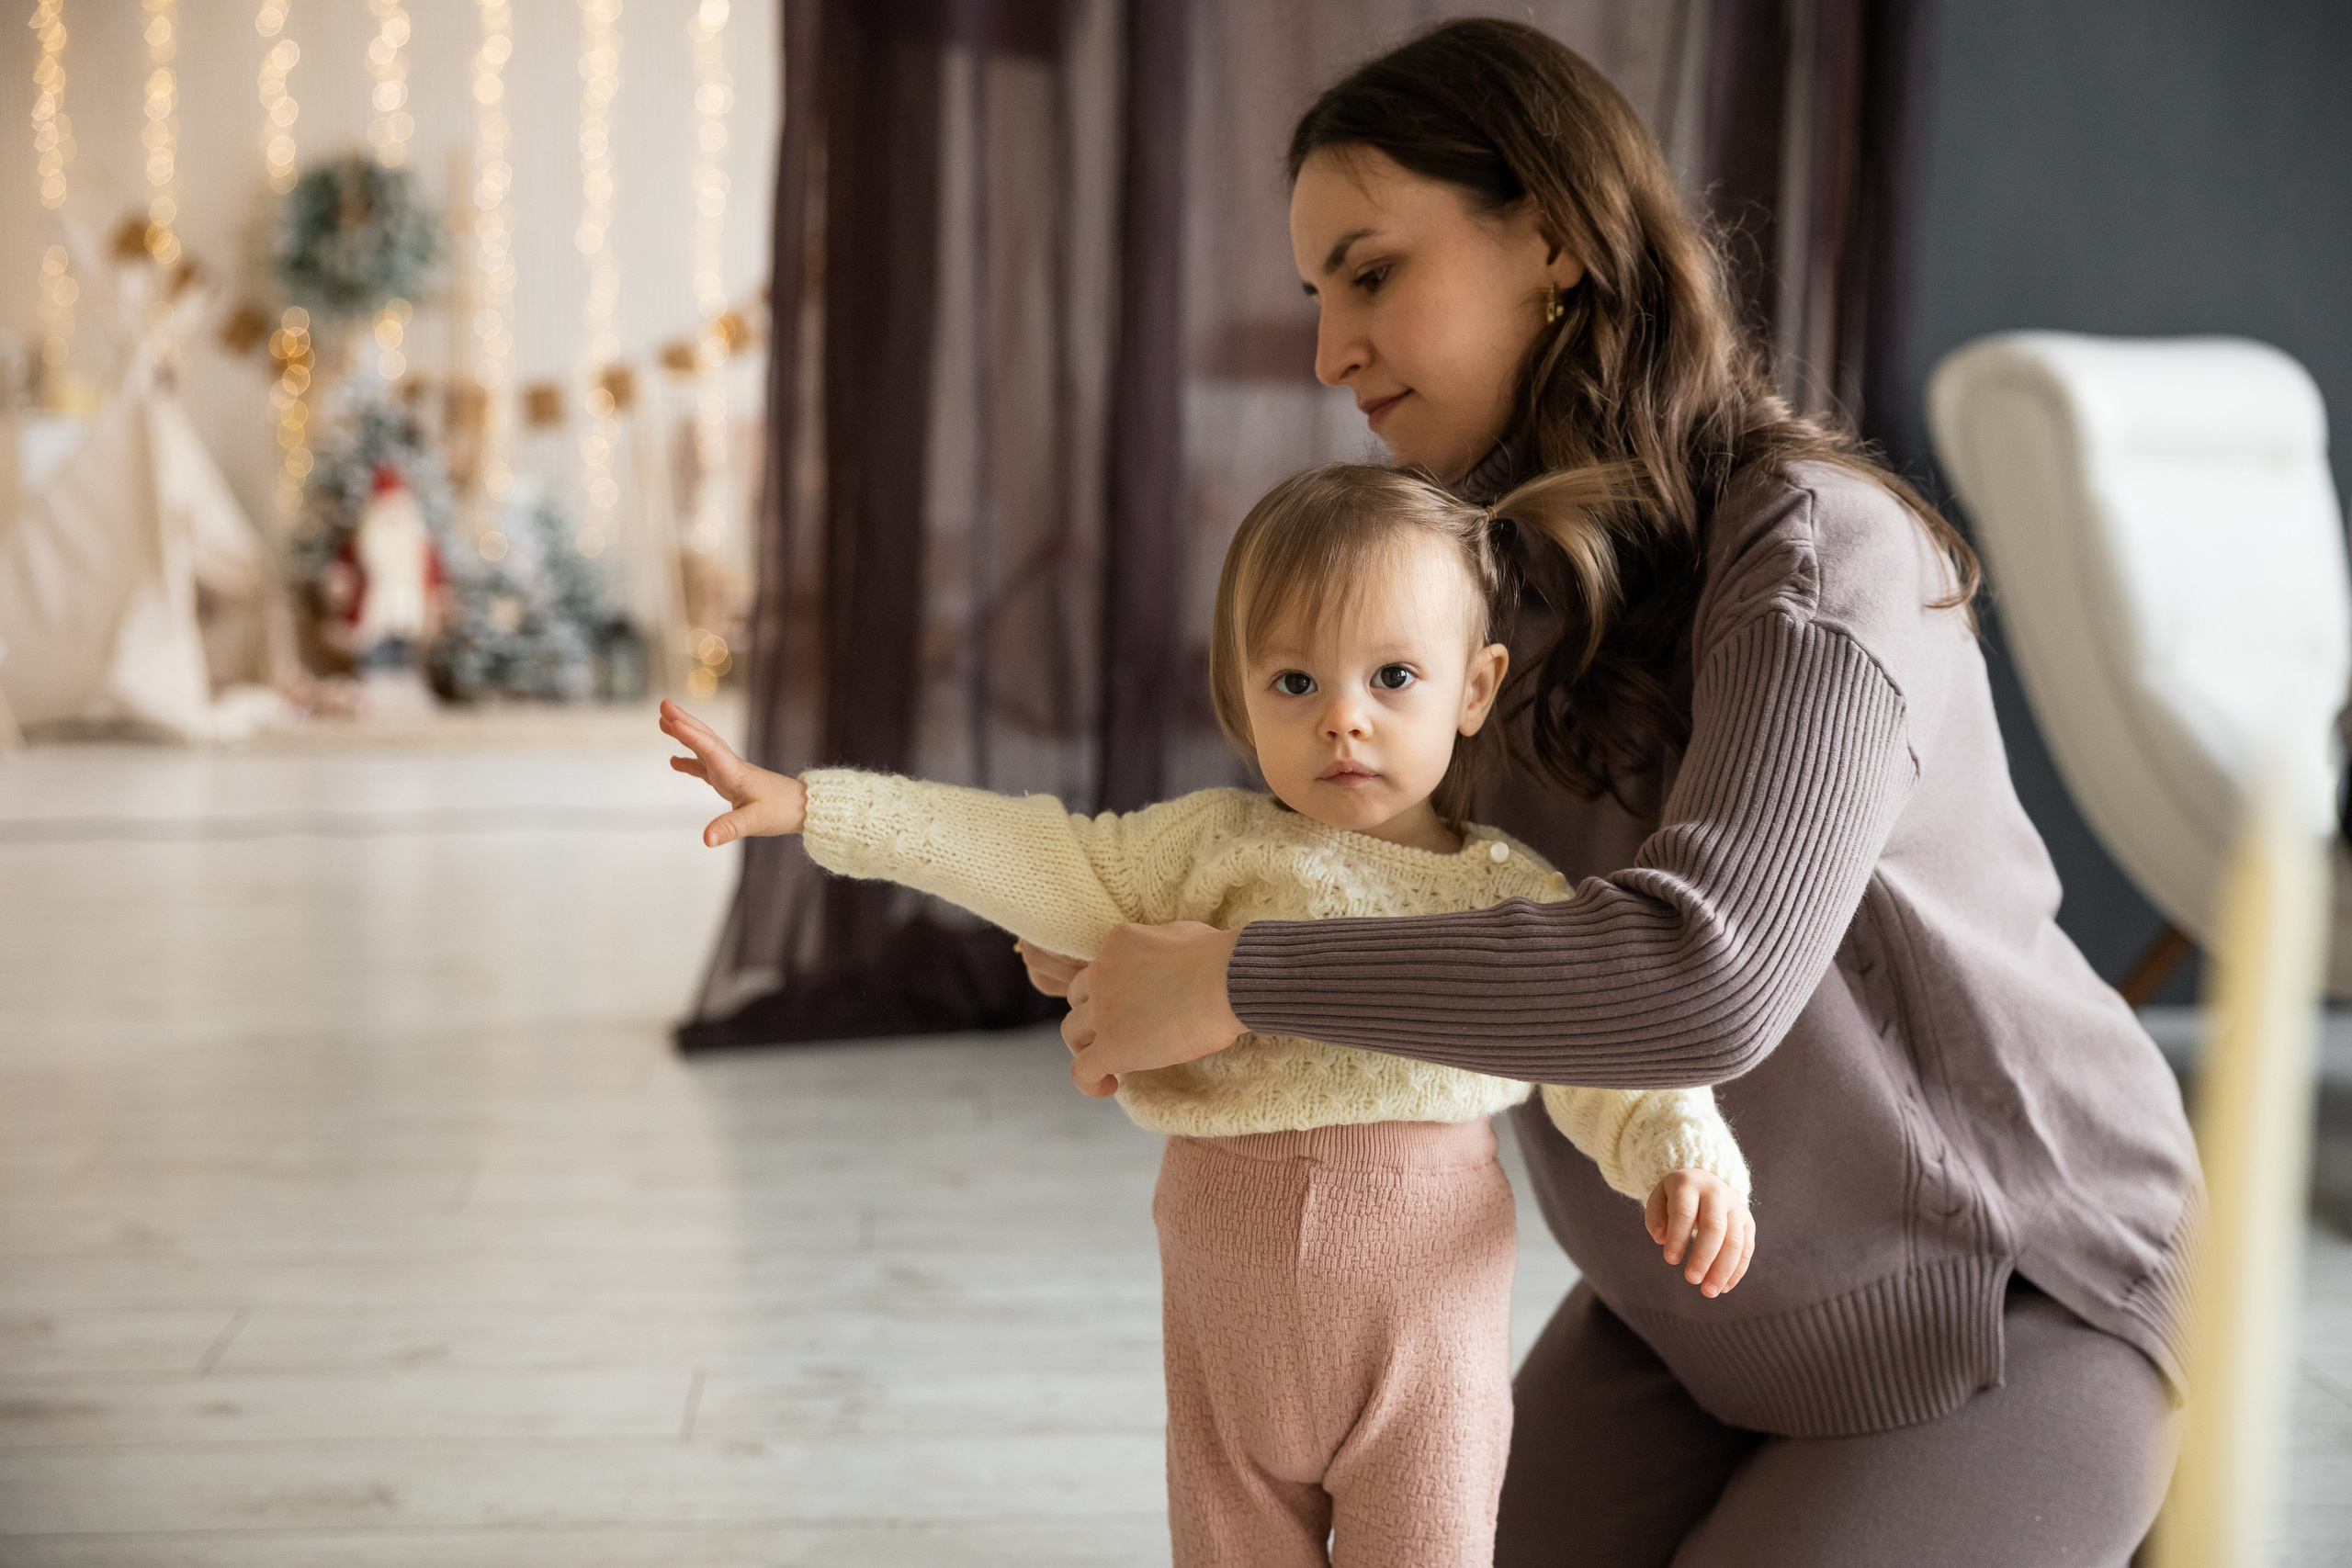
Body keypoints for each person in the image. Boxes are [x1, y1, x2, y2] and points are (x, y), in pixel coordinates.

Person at [1030, 17, 2199, 1568]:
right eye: (1318, 294)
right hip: (1688, 1320)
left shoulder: (1821, 554)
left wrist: (1243, 978)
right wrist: (1121, 928)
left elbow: (1705, 978)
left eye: (1371, 273)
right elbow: (1344, 864)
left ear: (1557, 241)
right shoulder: (1469, 588)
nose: (1330, 352)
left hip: (2008, 1297)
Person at [659, 459, 1758, 1568]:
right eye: (1295, 683)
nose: (1343, 720)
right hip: (1224, 1312)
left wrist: (1683, 1155)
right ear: (1239, 692)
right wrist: (816, 806)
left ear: (1473, 689)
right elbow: (1023, 850)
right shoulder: (1204, 851)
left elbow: (1612, 1054)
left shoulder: (1507, 899)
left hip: (1427, 1327)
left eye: (1392, 677)